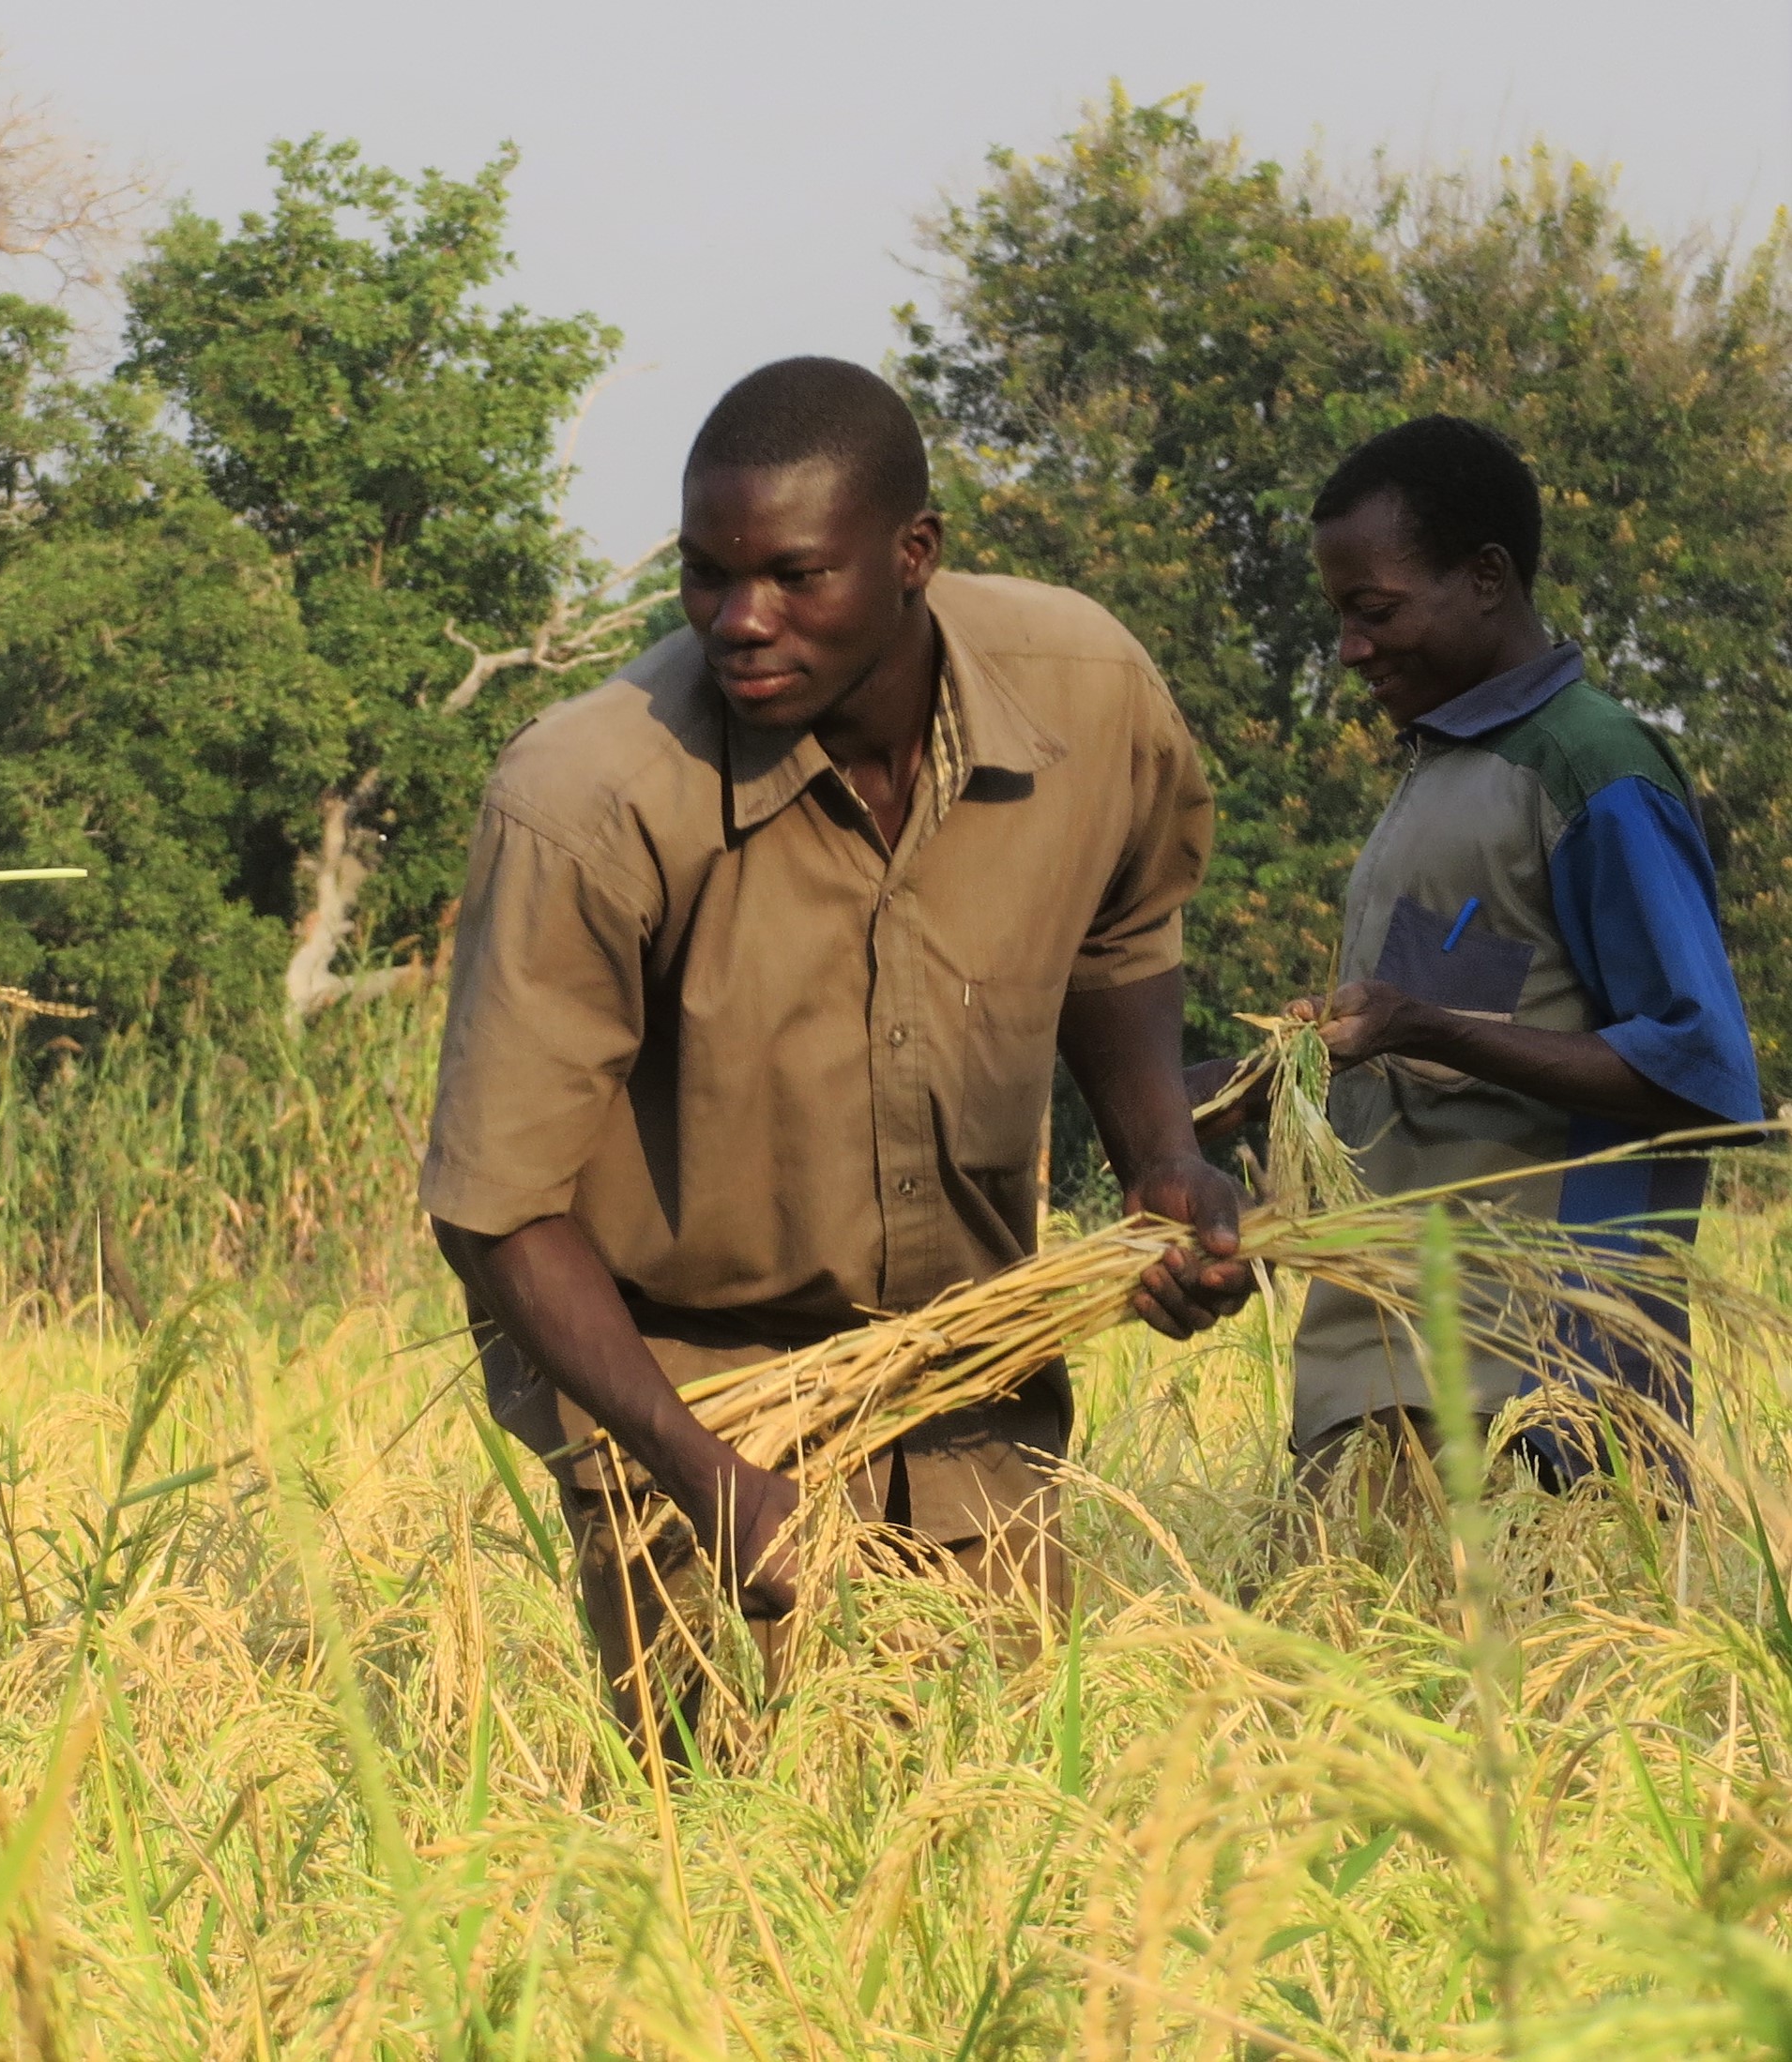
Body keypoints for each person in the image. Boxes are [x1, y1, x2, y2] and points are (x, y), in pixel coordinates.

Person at [421, 358, 1252, 1738]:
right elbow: (496, 1207)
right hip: (692, 1393)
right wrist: (702, 1472)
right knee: (735, 1845)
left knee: (999, 1822)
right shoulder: (588, 800)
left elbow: (1124, 933)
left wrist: (1159, 1155)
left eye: (796, 577)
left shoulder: (1088, 697)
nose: (740, 622)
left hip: (968, 1369)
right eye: (706, 576)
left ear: (913, 554)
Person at [1193, 416, 1764, 1493]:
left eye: (1376, 611)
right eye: (1340, 618)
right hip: (1376, 1380)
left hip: (1532, 1395)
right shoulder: (1445, 770)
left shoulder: (1590, 766)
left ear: (1488, 577)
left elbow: (1703, 1072)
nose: (1352, 648)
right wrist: (1223, 1091)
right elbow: (1424, 1059)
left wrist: (1426, 1024)